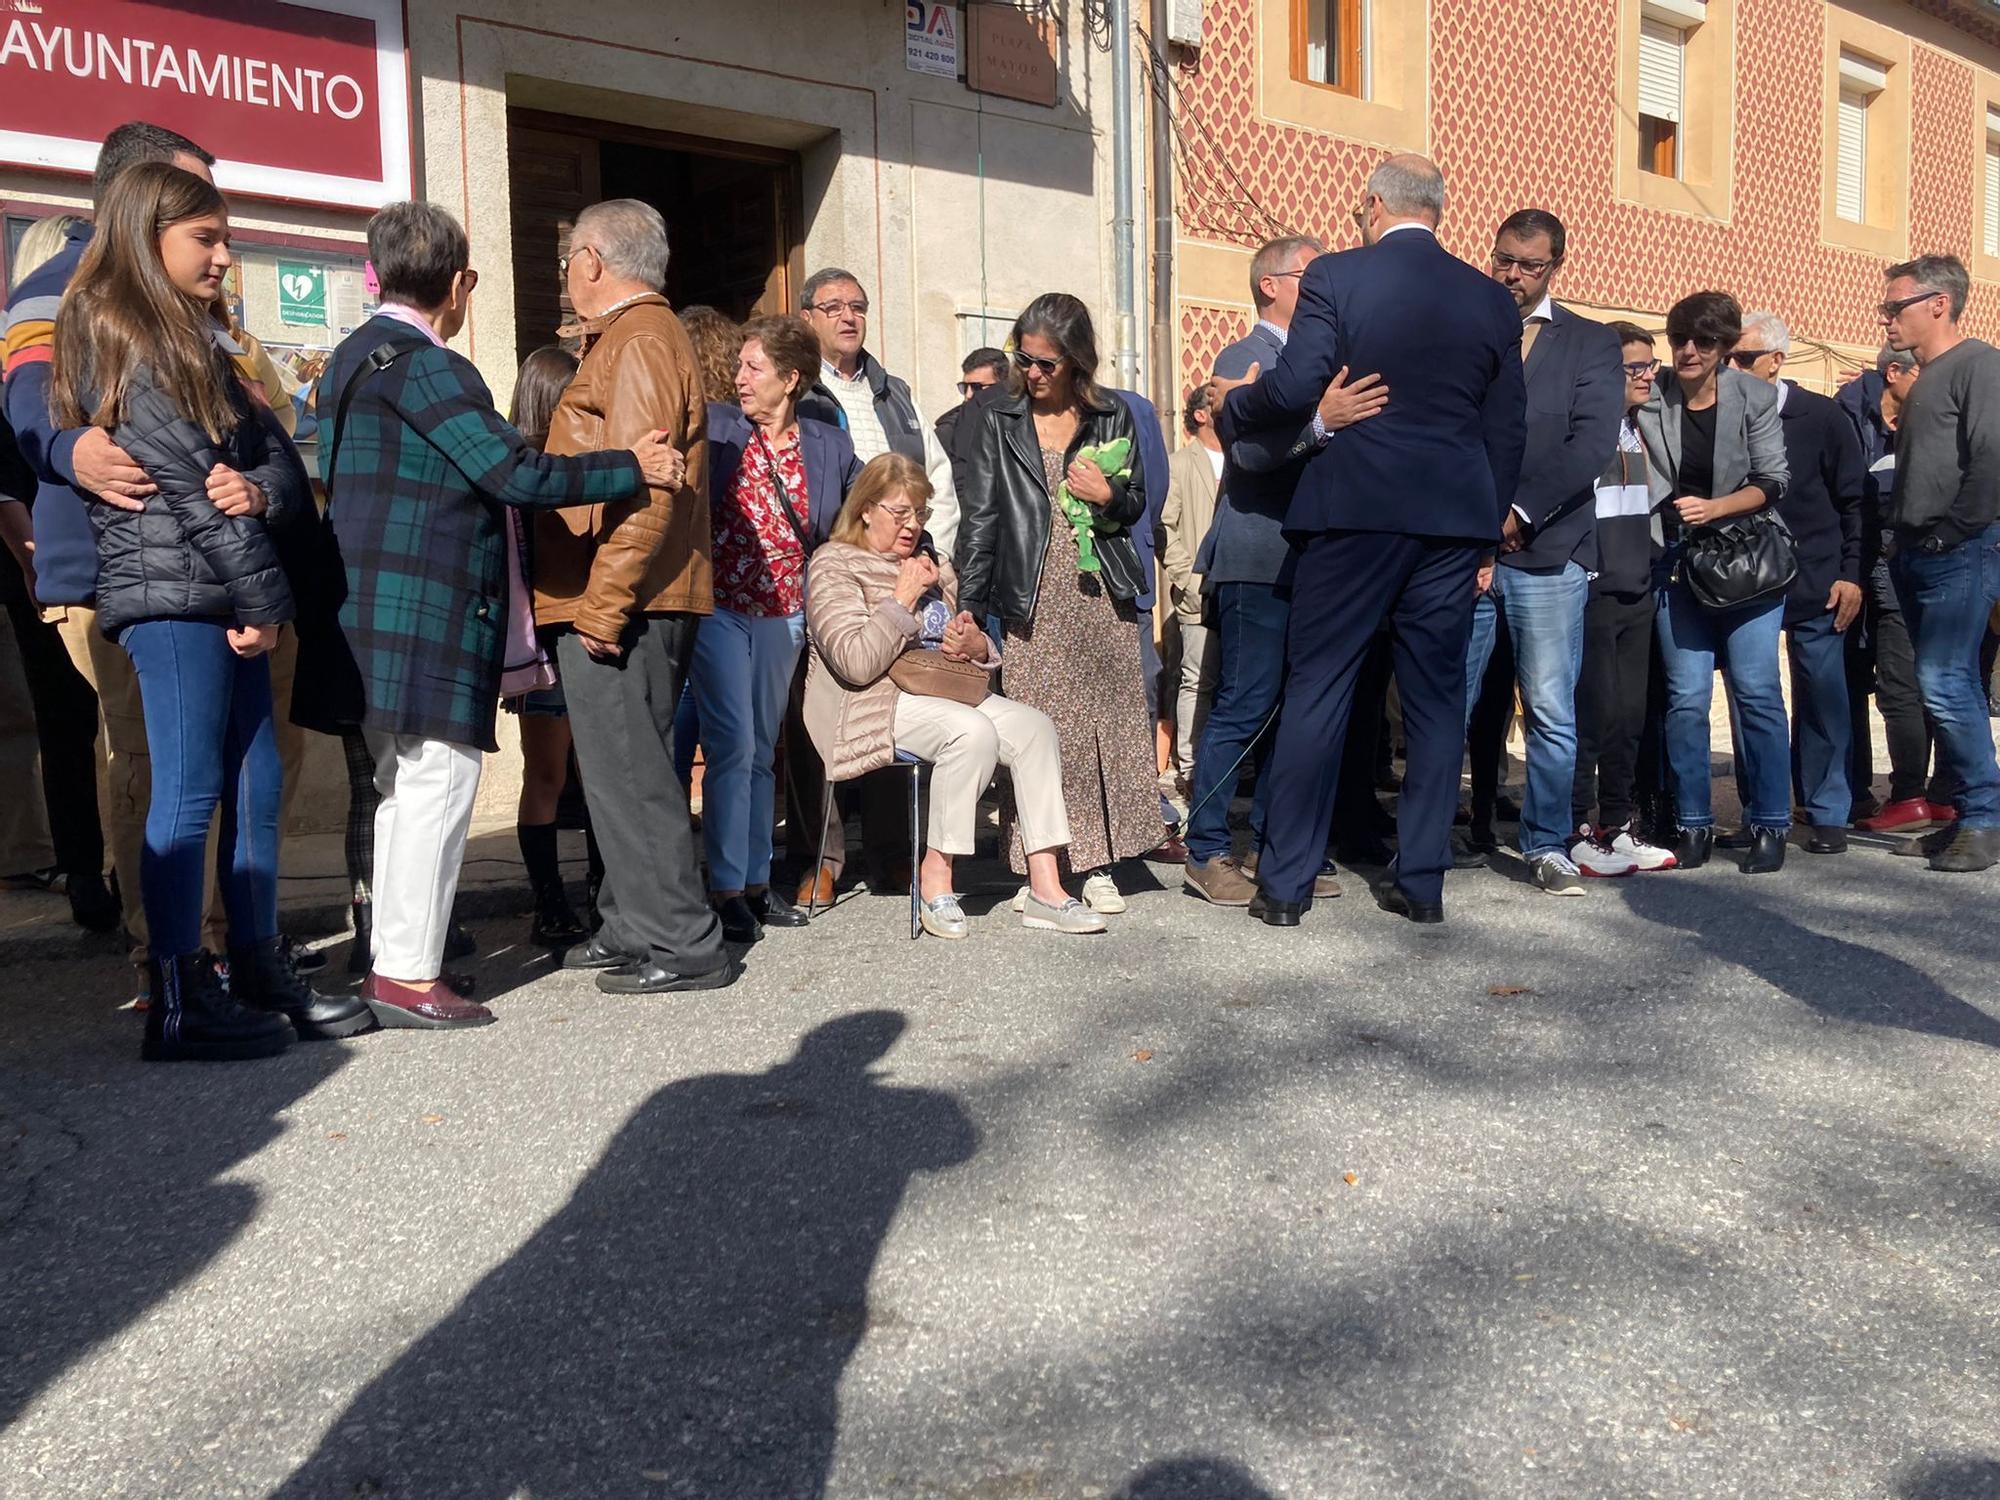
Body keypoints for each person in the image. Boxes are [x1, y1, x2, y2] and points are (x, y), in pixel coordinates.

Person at [318, 200, 684, 1025]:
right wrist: (633, 464)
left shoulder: (346, 359)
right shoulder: (430, 365)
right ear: (461, 284)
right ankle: (407, 976)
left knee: (398, 788)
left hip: (366, 613)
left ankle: (395, 963)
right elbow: (516, 474)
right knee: (436, 784)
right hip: (427, 613)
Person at [48, 162, 368, 1058]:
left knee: (257, 782)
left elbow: (275, 464)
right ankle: (182, 997)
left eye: (226, 239)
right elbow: (186, 489)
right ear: (148, 235)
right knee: (188, 794)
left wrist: (262, 493)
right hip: (173, 596)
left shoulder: (205, 337)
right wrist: (267, 601)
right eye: (207, 239)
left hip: (227, 588)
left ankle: (259, 965)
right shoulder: (114, 327)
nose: (226, 256)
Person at [1215, 153, 1526, 926]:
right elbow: (1507, 427)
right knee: (1433, 700)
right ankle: (1422, 883)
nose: (1357, 220)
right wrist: (1485, 530)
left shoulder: (1337, 277)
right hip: (1451, 519)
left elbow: (1297, 385)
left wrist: (1235, 405)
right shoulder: (1491, 299)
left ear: (1376, 205)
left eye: (1361, 211)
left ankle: (1284, 887)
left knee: (1320, 686)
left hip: (1354, 507)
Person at [534, 199, 736, 994]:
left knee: (633, 772)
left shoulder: (642, 338)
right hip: (629, 593)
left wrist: (603, 604)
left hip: (625, 595)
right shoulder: (631, 337)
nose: (565, 277)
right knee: (621, 772)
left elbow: (650, 489)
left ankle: (683, 944)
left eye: (567, 263)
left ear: (591, 259)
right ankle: (629, 924)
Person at [804, 452, 1104, 936]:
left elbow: (968, 649)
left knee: (1033, 728)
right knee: (971, 732)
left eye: (920, 514)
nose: (911, 525)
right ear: (864, 508)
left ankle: (1046, 885)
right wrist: (900, 600)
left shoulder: (931, 564)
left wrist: (975, 642)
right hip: (872, 703)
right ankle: (936, 876)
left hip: (940, 692)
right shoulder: (833, 564)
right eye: (899, 512)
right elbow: (854, 663)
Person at [1181, 233, 1387, 906]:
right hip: (1259, 554)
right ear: (1270, 284)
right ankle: (1206, 849)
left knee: (1296, 708)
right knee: (1245, 703)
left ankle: (1278, 847)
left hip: (1313, 557)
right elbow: (1249, 458)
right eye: (1310, 274)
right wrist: (1321, 424)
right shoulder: (1244, 358)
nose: (1325, 284)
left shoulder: (1319, 355)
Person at [956, 292, 1157, 914]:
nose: (1033, 373)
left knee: (1113, 722)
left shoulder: (1112, 414)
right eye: (1025, 359)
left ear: (1076, 361)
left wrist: (1107, 496)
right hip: (1034, 594)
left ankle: (1101, 860)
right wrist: (968, 600)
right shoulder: (1000, 416)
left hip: (1103, 592)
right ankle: (1049, 862)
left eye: (1046, 363)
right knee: (1047, 731)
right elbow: (982, 516)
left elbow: (1136, 502)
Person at [1461, 209, 1626, 895]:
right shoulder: (1465, 327)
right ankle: (1437, 828)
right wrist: (1472, 522)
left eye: (1529, 265)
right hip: (1465, 551)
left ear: (1556, 265)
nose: (1512, 275)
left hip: (1549, 553)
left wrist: (1520, 515)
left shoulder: (1590, 343)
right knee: (1453, 699)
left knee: (1551, 709)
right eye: (1503, 259)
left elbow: (1588, 448)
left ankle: (1546, 844)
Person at [694, 316, 858, 945]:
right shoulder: (716, 428)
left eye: (753, 367)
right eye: (738, 365)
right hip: (722, 609)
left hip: (787, 614)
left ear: (790, 379)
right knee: (734, 744)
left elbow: (858, 513)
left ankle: (757, 886)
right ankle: (726, 889)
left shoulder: (828, 445)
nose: (739, 377)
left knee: (764, 748)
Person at [1633, 291, 1791, 872]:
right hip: (1677, 560)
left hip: (1747, 560)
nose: (1688, 351)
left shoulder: (1755, 395)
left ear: (1725, 348)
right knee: (1686, 698)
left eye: (1703, 342)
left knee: (1756, 693)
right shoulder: (1655, 397)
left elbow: (1774, 480)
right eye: (1680, 340)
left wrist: (1718, 506)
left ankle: (1770, 823)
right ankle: (1693, 824)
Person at [1877, 253, 2000, 871]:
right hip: (1920, 550)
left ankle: (1983, 820)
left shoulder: (1978, 365)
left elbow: (1991, 461)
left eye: (1894, 307)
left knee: (1946, 684)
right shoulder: (1927, 376)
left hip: (1960, 551)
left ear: (1938, 304)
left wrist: (1952, 534)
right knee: (1950, 687)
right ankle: (1959, 812)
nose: (1886, 320)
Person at [1730, 312, 1866, 853]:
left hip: (1819, 581)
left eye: (1743, 358)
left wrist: (1851, 574)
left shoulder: (1823, 417)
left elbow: (1856, 501)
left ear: (1776, 361)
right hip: (1747, 583)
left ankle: (1827, 807)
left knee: (1824, 695)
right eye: (1730, 358)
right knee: (1753, 697)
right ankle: (1761, 808)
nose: (1733, 368)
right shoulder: (1724, 415)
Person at [1570, 323, 1678, 875]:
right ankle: (1576, 828)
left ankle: (1617, 823)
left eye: (1649, 366)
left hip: (1639, 588)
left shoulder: (1640, 430)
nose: (1646, 377)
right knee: (1595, 714)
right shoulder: (1587, 432)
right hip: (1594, 591)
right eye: (1635, 368)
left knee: (1630, 716)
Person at [504, 345, 601, 949]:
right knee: (552, 775)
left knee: (578, 777)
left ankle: (588, 898)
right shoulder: (526, 464)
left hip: (561, 635)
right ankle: (553, 902)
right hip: (544, 642)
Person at [1840, 348, 1953, 832]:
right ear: (1894, 373)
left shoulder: (1928, 420)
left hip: (1912, 566)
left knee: (1913, 686)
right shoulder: (1850, 414)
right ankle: (1925, 792)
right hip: (1898, 563)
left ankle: (1918, 793)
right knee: (1916, 686)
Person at [796, 267, 961, 559]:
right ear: (807, 320)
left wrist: (935, 554)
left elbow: (938, 480)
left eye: (858, 308)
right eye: (833, 308)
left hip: (903, 562)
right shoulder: (798, 393)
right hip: (834, 563)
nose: (849, 317)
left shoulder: (895, 393)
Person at [1159, 382, 1223, 806]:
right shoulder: (1179, 464)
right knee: (1197, 679)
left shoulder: (1243, 459)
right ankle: (1190, 766)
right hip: (1200, 593)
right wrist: (1189, 577)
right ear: (1200, 413)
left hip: (1240, 590)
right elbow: (1164, 527)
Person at [934, 347, 1007, 471]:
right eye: (964, 387)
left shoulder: (1022, 422)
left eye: (976, 387)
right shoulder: (948, 432)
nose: (968, 394)